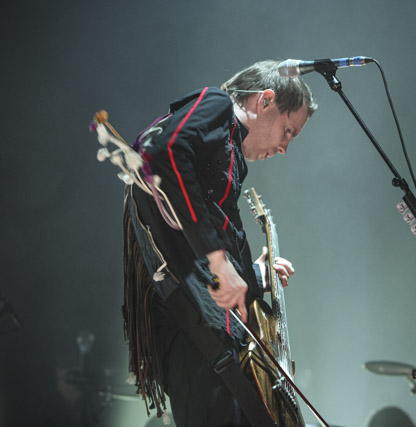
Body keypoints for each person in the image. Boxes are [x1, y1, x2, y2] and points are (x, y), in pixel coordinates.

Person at [122, 60, 317, 427]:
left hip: (211, 327)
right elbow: (161, 152)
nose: (284, 148)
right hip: (190, 325)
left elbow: (218, 234)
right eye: (287, 131)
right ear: (265, 101)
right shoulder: (216, 104)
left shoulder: (230, 159)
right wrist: (218, 260)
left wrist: (255, 274)